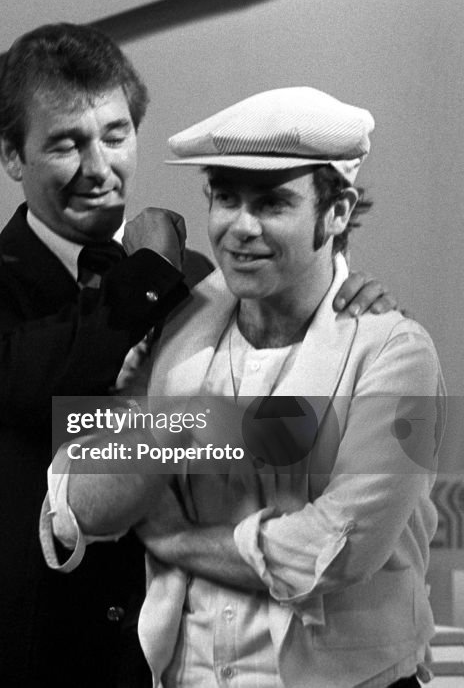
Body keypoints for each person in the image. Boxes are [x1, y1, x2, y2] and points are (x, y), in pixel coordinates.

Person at [0, 22, 393, 687]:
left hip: (159, 658)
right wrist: (145, 275)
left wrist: (344, 301)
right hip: (12, 654)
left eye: (115, 136)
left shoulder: (201, 278)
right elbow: (55, 404)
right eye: (65, 143)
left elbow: (279, 422)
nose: (99, 167)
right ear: (10, 152)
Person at [45, 86, 443, 687]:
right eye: (226, 198)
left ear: (336, 213)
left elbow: (338, 547)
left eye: (273, 203)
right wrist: (184, 421)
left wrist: (178, 541)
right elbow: (77, 504)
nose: (239, 227)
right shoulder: (179, 326)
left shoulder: (396, 352)